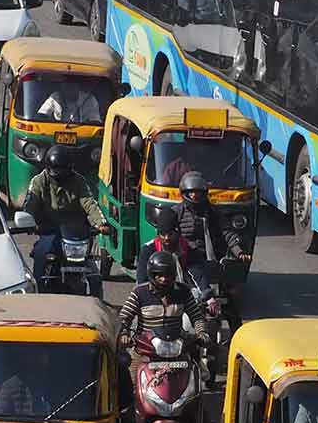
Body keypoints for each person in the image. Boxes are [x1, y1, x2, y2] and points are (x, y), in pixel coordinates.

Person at [22, 144, 109, 287]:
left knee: (91, 265)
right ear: (48, 168)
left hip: (76, 233)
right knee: (40, 255)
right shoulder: (39, 181)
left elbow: (89, 202)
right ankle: (38, 290)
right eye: (55, 170)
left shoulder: (79, 181)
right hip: (48, 231)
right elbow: (30, 204)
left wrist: (100, 223)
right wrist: (28, 222)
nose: (59, 174)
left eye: (63, 170)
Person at [116, 250, 207, 345]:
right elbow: (124, 317)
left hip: (178, 344)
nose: (163, 279)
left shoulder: (183, 291)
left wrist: (201, 333)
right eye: (159, 275)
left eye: (167, 275)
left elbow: (196, 316)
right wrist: (124, 334)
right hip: (146, 347)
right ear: (151, 274)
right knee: (124, 358)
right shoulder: (139, 292)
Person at [135, 206, 194, 284]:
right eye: (163, 234)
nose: (166, 238)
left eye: (170, 234)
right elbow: (141, 280)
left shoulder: (187, 248)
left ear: (177, 233)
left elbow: (198, 274)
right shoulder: (148, 250)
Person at [35, 77, 102, 123]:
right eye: (66, 84)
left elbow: (95, 121)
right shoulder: (55, 97)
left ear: (78, 86)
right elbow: (41, 115)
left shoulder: (89, 100)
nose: (69, 87)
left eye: (72, 84)